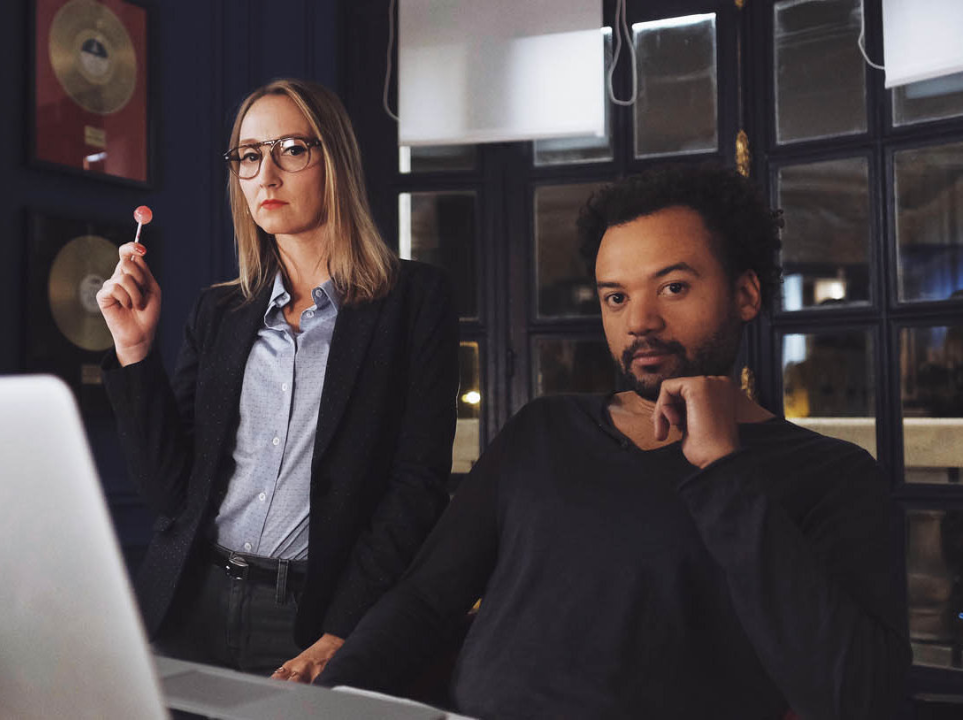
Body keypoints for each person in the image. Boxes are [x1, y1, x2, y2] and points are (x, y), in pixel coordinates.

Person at [317, 164, 911, 719]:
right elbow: (424, 601)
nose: (639, 322)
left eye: (673, 287)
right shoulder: (544, 430)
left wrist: (723, 470)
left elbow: (858, 696)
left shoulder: (829, 475)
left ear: (746, 294)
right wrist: (322, 703)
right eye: (616, 297)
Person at [96, 78, 458, 682]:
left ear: (334, 160)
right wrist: (134, 348)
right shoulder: (221, 311)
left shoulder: (413, 301)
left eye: (291, 149)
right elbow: (169, 493)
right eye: (249, 155)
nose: (266, 175)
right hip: (190, 601)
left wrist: (343, 628)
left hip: (310, 618)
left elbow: (416, 484)